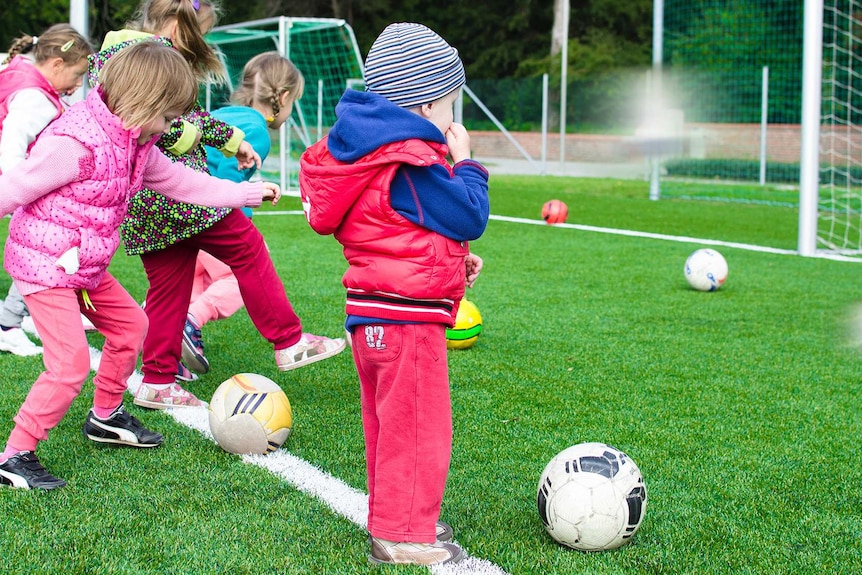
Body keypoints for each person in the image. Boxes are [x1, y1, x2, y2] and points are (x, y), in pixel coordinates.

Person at [0, 41, 281, 491]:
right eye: (169, 118)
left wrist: (246, 193)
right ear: (144, 103)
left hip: (84, 267)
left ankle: (106, 417)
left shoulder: (137, 143)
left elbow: (182, 183)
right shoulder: (74, 144)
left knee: (133, 326)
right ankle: (14, 455)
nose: (173, 128)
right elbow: (13, 188)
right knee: (70, 364)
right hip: (45, 266)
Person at [91, 0, 345, 410]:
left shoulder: (110, 57)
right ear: (175, 25)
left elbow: (178, 117)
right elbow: (170, 125)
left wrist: (232, 141)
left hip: (142, 200)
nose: (197, 44)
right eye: (198, 34)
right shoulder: (154, 57)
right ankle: (289, 340)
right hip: (180, 195)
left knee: (169, 289)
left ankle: (157, 381)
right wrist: (223, 142)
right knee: (248, 248)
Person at [299, 22, 490, 566]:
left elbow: (396, 230)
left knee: (390, 426)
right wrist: (467, 162)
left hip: (374, 315)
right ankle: (403, 534)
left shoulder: (370, 154)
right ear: (427, 104)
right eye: (452, 103)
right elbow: (468, 213)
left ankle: (395, 516)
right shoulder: (409, 160)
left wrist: (453, 264)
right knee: (418, 428)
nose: (454, 117)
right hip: (405, 323)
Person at [181, 51, 305, 374]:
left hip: (178, 211)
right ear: (284, 97)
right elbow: (226, 180)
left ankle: (158, 326)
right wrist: (243, 216)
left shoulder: (225, 114)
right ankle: (192, 321)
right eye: (294, 102)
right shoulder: (258, 132)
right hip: (205, 215)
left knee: (188, 283)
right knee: (240, 275)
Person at [0, 24, 93, 357]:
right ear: (56, 64)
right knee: (43, 251)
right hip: (15, 188)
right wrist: (16, 192)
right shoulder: (35, 98)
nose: (78, 84)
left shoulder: (21, 71)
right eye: (78, 74)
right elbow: (11, 141)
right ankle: (8, 324)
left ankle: (15, 318)